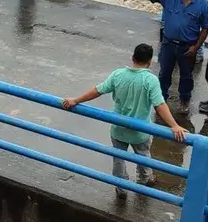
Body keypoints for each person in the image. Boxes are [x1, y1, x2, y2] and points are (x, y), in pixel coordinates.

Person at [62, 42, 187, 198]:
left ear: (132, 57)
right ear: (149, 62)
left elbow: (98, 90)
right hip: (141, 131)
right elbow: (159, 105)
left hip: (118, 128)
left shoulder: (118, 74)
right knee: (143, 157)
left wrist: (76, 100)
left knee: (119, 158)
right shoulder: (150, 80)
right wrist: (174, 125)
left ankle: (121, 187)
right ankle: (144, 181)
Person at [119, 0, 208, 112]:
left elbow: (205, 28)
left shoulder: (203, 4)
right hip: (168, 44)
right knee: (164, 74)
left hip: (187, 47)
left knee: (186, 76)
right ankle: (160, 100)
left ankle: (184, 101)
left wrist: (196, 47)